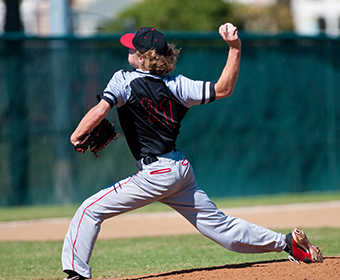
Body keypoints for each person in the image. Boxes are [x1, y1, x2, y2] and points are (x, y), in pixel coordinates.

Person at [61, 23, 323, 280]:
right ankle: (288, 243)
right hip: (178, 169)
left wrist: (75, 136)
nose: (127, 52)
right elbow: (224, 89)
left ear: (141, 58)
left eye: (131, 49)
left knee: (89, 210)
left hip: (155, 174)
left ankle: (76, 274)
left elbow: (100, 110)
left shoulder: (124, 79)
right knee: (220, 227)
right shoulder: (177, 84)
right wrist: (234, 48)